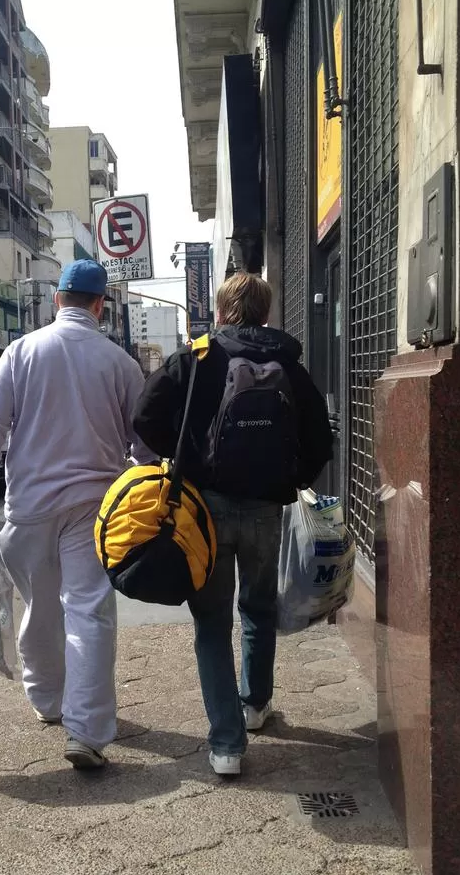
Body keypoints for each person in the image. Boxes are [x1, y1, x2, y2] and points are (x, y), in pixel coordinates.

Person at [133, 272, 333, 777]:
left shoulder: (197, 357)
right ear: (266, 313)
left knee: (211, 621)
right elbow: (320, 438)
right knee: (259, 608)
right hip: (266, 508)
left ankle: (226, 745)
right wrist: (290, 478)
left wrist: (183, 460)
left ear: (221, 311)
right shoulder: (288, 363)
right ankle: (256, 705)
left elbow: (145, 416)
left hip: (206, 511)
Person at [0, 259, 155, 770]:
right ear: (99, 305)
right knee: (89, 610)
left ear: (57, 300)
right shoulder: (120, 363)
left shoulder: (20, 352)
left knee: (39, 605)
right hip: (95, 506)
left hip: (28, 508)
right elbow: (144, 445)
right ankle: (86, 732)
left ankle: (46, 701)